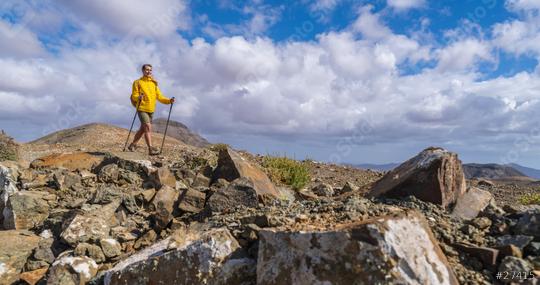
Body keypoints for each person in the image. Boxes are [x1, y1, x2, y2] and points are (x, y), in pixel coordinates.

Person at [127, 64, 175, 155]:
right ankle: (150, 148)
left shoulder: (154, 83)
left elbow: (159, 97)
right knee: (148, 127)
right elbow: (134, 95)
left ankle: (133, 145)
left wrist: (169, 101)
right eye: (147, 70)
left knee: (143, 129)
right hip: (141, 108)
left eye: (150, 70)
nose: (149, 71)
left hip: (151, 109)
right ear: (143, 71)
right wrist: (138, 97)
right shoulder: (137, 82)